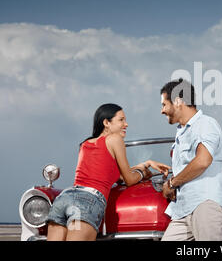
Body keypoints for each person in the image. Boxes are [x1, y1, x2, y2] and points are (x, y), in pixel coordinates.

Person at [46, 103, 170, 241]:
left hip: (65, 198)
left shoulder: (85, 144)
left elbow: (116, 175)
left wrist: (146, 164)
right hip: (86, 202)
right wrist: (143, 173)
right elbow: (129, 179)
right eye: (121, 120)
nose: (126, 124)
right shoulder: (115, 139)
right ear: (106, 123)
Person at [160, 78, 222, 241]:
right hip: (183, 209)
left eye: (164, 104)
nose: (162, 111)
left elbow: (202, 161)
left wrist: (171, 183)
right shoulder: (182, 132)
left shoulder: (205, 124)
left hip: (206, 204)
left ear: (178, 101)